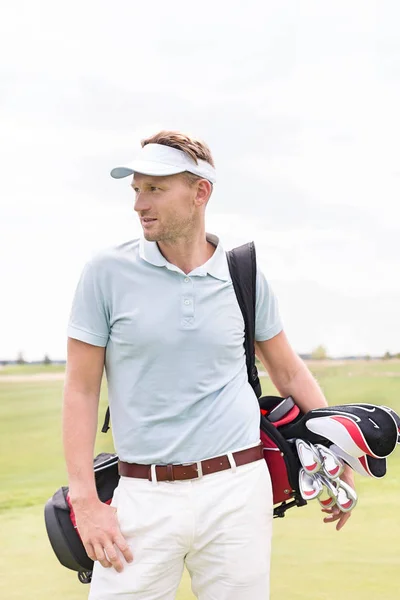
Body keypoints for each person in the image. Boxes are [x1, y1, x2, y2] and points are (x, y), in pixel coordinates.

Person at [63, 130, 355, 600]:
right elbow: (79, 389)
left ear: (200, 192)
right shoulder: (105, 273)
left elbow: (289, 372)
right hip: (142, 496)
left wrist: (334, 453)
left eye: (154, 188)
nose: (139, 203)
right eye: (136, 188)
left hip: (238, 491)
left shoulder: (243, 273)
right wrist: (86, 500)